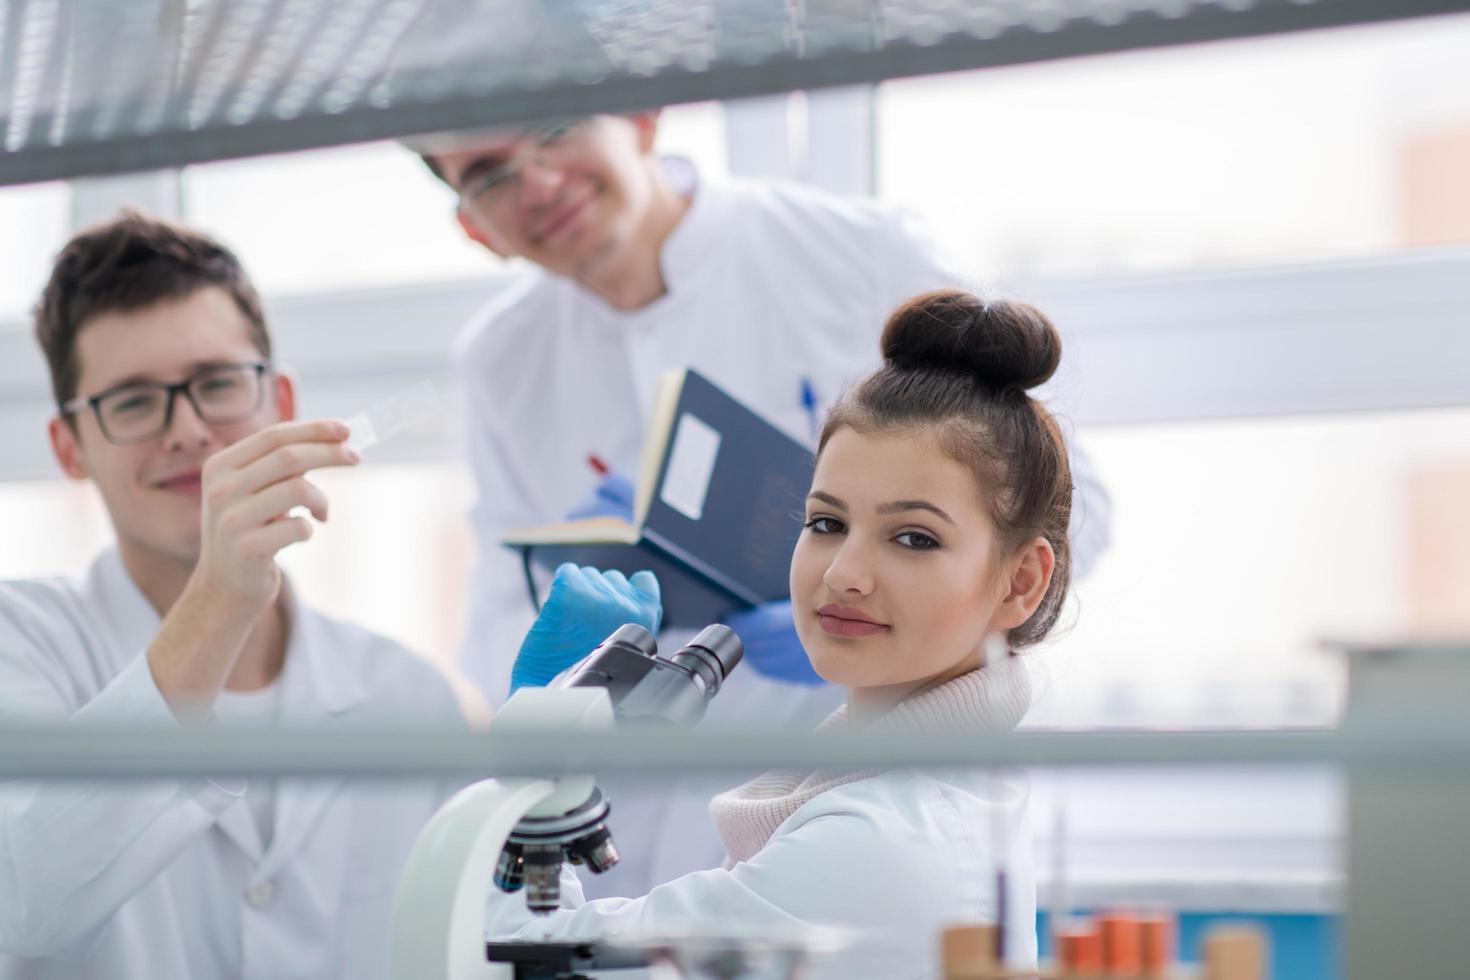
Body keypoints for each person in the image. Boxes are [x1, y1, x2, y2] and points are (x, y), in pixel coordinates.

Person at [417, 111, 1111, 895]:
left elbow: (1061, 505)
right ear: (476, 229)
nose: (537, 181)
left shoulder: (852, 250)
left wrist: (872, 596)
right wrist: (559, 688)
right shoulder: (501, 358)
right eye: (488, 173)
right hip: (632, 831)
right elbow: (497, 605)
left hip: (840, 785)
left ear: (641, 119)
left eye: (556, 130)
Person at [0, 212, 660, 980]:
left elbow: (498, 944)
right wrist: (218, 600)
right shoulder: (24, 641)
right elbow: (23, 903)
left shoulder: (403, 696)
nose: (185, 430)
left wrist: (542, 764)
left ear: (278, 400)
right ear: (68, 448)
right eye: (134, 402)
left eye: (216, 384)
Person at [484, 288, 1073, 976]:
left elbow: (527, 964)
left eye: (913, 537)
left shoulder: (873, 843)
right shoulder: (919, 797)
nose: (845, 574)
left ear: (1021, 581)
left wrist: (535, 751)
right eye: (826, 523)